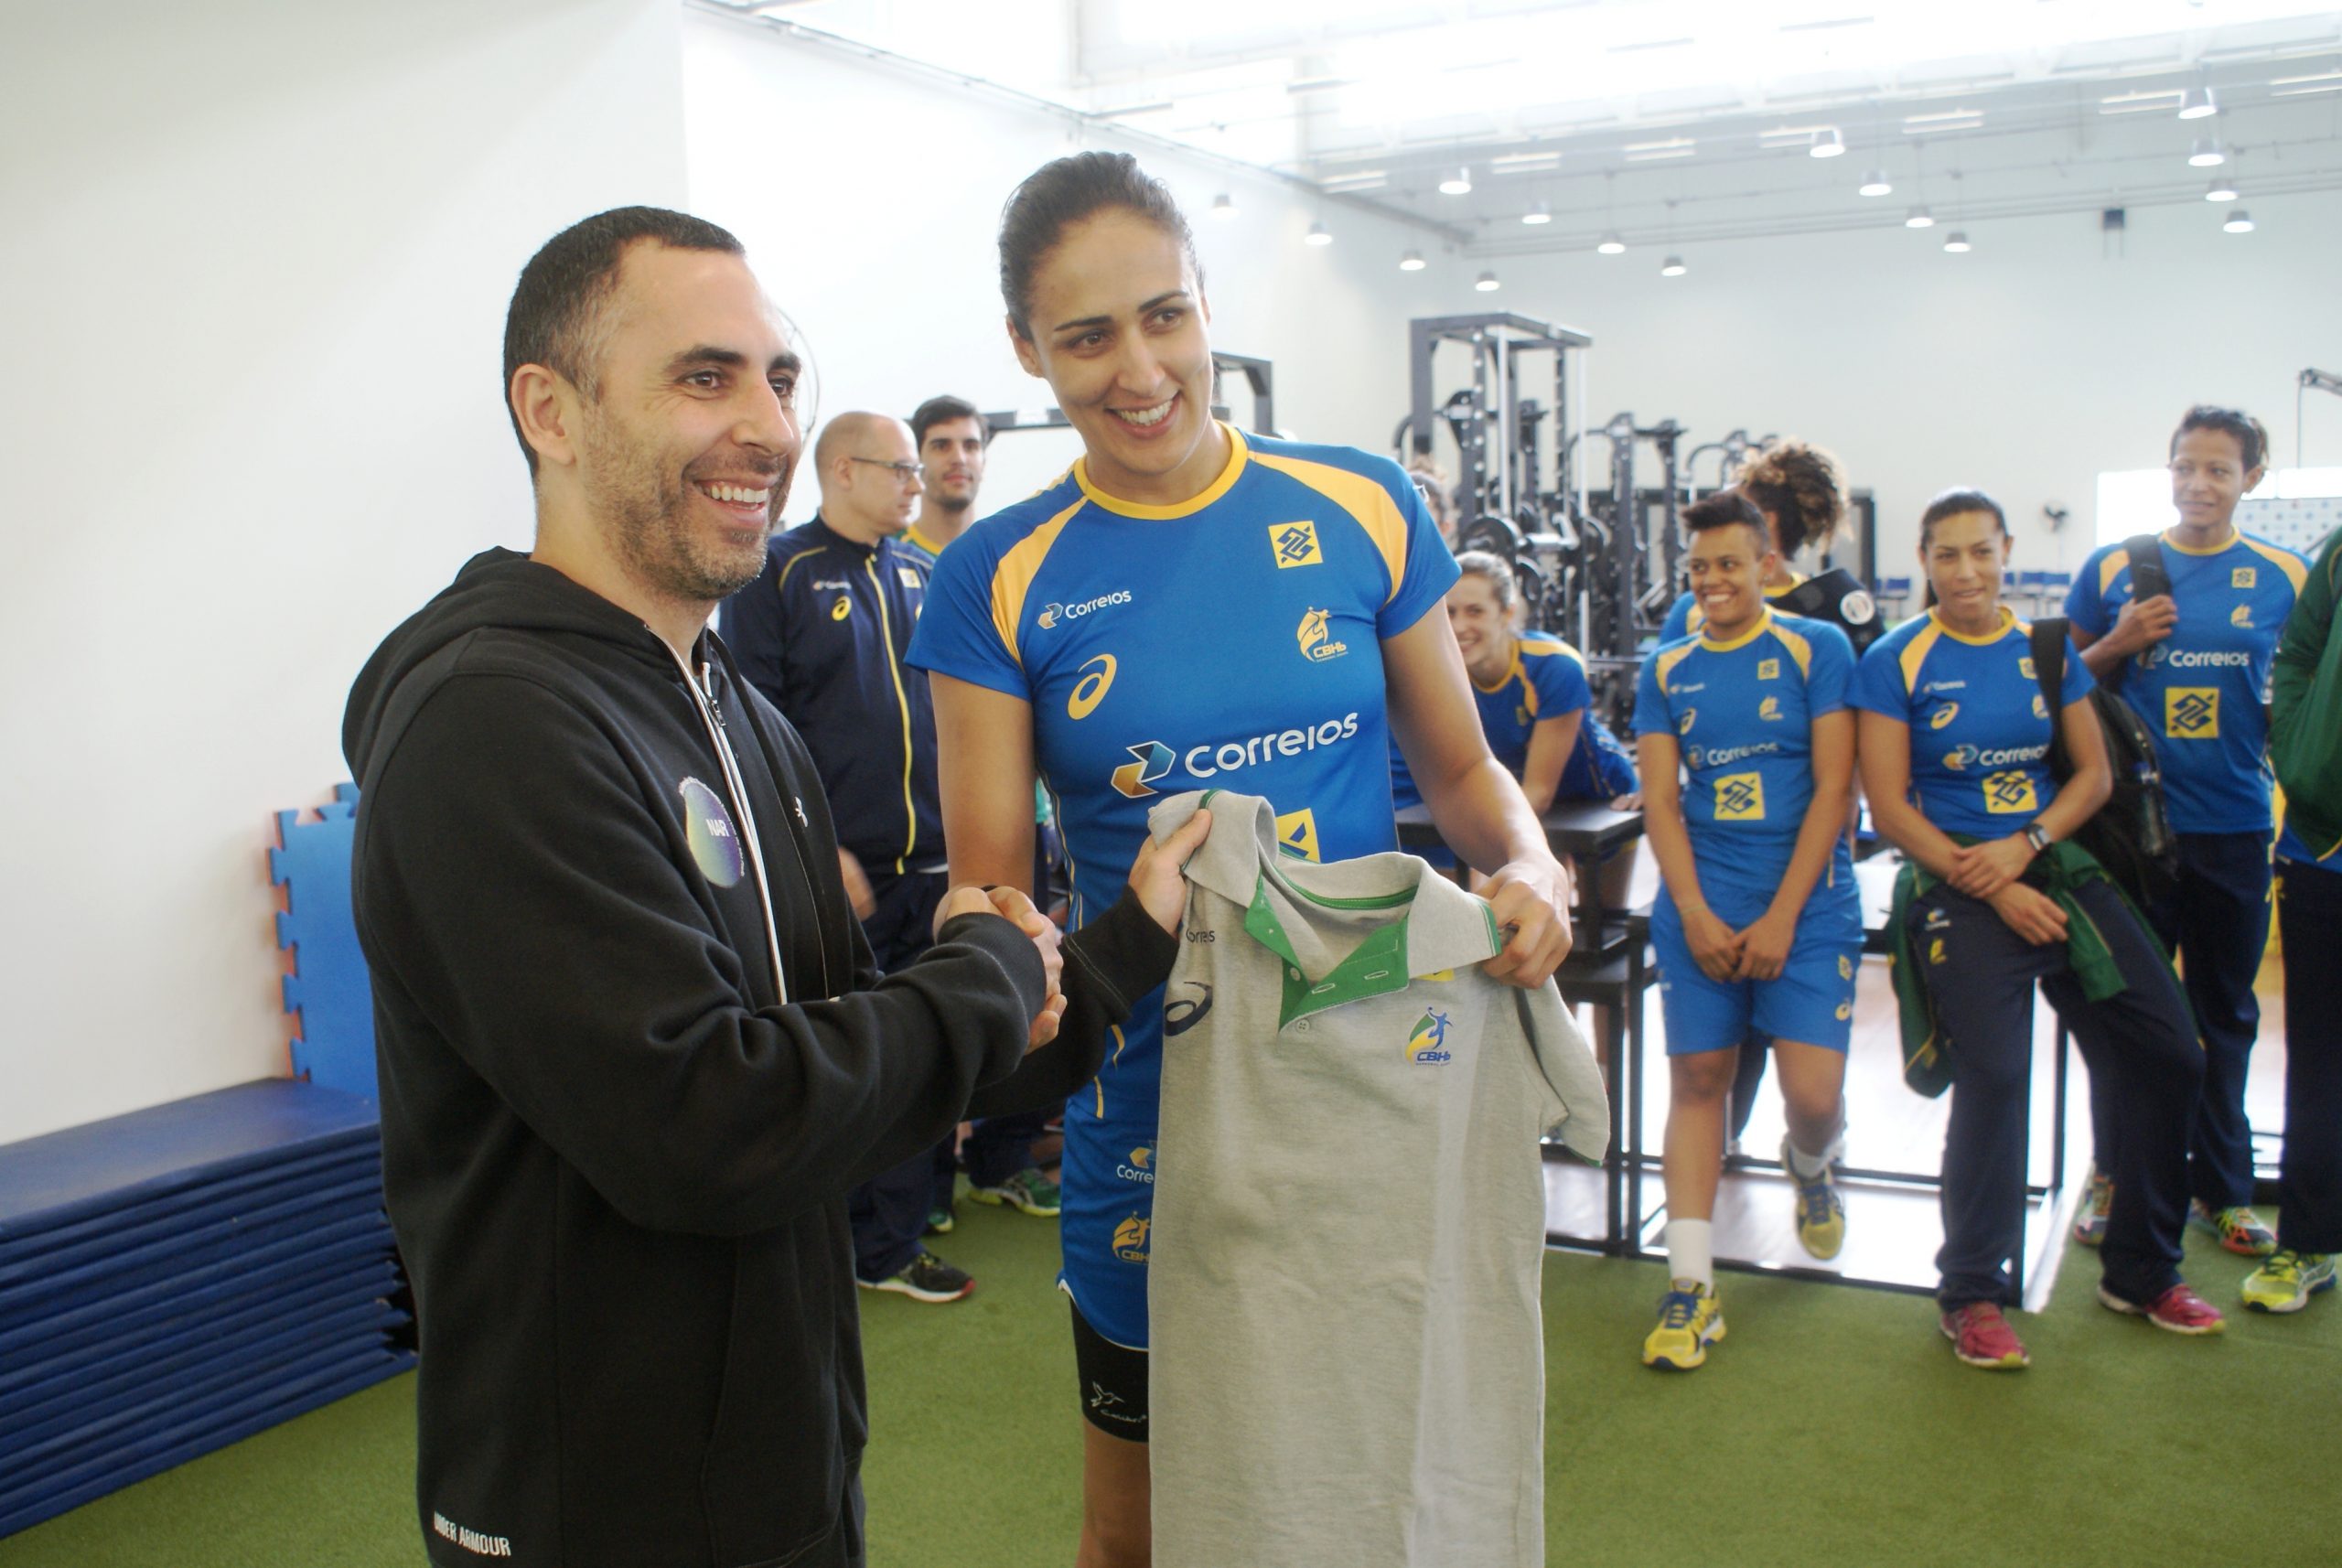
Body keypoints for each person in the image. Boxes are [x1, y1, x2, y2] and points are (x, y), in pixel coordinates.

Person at [343, 205, 1193, 1568]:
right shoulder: (490, 723)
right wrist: (983, 974)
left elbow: (857, 1065)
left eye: (777, 377)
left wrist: (1127, 939)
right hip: (594, 1514)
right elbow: (710, 1118)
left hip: (780, 1472)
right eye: (703, 376)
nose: (768, 427)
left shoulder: (738, 710)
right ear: (549, 411)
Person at [905, 151, 1575, 1568]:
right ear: (1029, 350)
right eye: (1086, 337)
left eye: (1165, 316)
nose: (1139, 367)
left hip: (1364, 1072)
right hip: (1151, 1095)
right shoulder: (998, 578)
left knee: (1362, 1493)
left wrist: (1534, 866)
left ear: (1206, 306)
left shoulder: (1361, 503)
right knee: (1136, 1538)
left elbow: (1461, 774)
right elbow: (992, 891)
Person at [1856, 487, 2222, 1371]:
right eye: (1946, 555)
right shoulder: (1898, 658)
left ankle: (2140, 1269)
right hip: (1953, 878)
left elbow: (2092, 777)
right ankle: (1972, 1292)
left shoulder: (2048, 649)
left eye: (1981, 551)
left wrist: (2024, 848)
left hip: (2053, 863)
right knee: (1997, 1074)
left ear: (2006, 551)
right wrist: (1983, 874)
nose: (1965, 571)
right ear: (1925, 561)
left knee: (2174, 1053)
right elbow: (1888, 806)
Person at [720, 411, 1054, 1305]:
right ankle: (880, 1245)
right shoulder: (777, 574)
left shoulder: (920, 571)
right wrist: (813, 847)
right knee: (876, 1056)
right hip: (841, 871)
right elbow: (750, 726)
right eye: (902, 467)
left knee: (939, 1043)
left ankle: (934, 1201)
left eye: (921, 467)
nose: (920, 482)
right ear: (842, 471)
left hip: (936, 862)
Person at [2064, 406, 2308, 1255]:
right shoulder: (2114, 568)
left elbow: (2311, 694)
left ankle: (2223, 1189)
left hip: (2237, 829)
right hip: (2131, 836)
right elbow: (2051, 690)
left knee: (2225, 1013)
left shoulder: (2287, 576)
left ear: (2252, 481)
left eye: (2218, 470)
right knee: (2124, 1015)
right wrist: (2118, 643)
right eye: (2184, 467)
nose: (2198, 484)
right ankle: (2115, 1174)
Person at [1630, 490, 1863, 1369]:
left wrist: (1779, 919)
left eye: (1729, 564)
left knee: (1811, 1096)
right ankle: (1691, 1287)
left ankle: (1811, 1164)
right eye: (1698, 568)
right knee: (1698, 1078)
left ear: (1766, 564)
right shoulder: (1668, 663)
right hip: (1702, 904)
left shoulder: (1818, 648)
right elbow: (1658, 798)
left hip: (1806, 907)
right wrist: (1692, 910)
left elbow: (1836, 794)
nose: (1713, 581)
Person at [1658, 442, 1878, 1150]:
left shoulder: (1829, 616)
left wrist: (1835, 846)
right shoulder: (1686, 626)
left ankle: (1810, 1147)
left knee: (1807, 1079)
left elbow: (1850, 758)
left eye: (1746, 506)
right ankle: (1716, 1162)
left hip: (1809, 860)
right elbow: (1668, 727)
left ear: (1773, 536)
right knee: (1716, 1061)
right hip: (1722, 868)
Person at [1388, 552, 1642, 883]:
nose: (1460, 626)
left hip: (1597, 794)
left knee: (1603, 919)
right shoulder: (1445, 676)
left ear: (1506, 613)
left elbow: (1539, 793)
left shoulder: (1553, 667)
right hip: (1521, 792)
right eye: (1449, 612)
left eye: (1475, 611)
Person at [2256, 520, 2342, 1311]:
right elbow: (2298, 654)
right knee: (2318, 1062)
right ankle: (2309, 1244)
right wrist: (2300, 754)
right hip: (2324, 850)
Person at [905, 394, 991, 557]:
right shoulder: (886, 556)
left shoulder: (1007, 555)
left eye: (970, 446)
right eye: (941, 446)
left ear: (984, 462)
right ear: (915, 462)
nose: (959, 459)